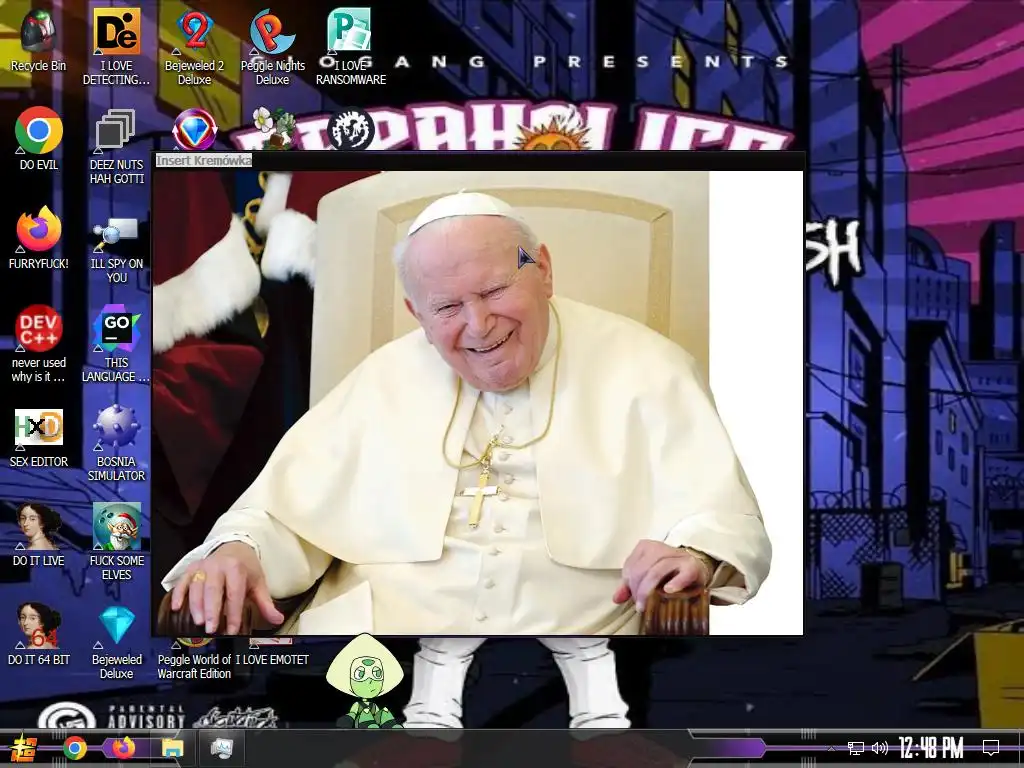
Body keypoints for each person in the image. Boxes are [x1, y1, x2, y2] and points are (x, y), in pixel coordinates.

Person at [161, 192, 772, 729]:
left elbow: (717, 515)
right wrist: (237, 553)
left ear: (543, 270)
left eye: (495, 290)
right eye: (447, 307)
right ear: (417, 315)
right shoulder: (383, 379)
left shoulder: (648, 367)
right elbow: (282, 515)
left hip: (560, 657)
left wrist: (692, 557)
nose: (479, 325)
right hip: (372, 649)